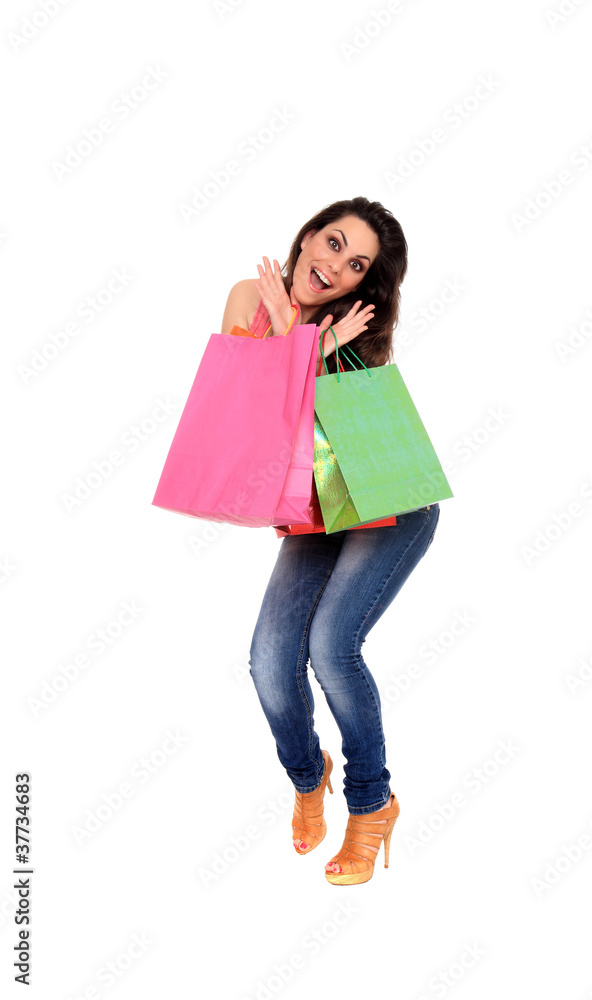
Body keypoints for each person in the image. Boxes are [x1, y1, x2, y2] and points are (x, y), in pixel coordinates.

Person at [220, 196, 440, 884]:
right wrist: (300, 340)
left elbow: (344, 433)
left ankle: (372, 805)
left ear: (359, 284)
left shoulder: (358, 328)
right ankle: (306, 774)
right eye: (333, 243)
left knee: (330, 647)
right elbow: (245, 418)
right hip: (317, 511)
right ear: (308, 234)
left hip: (388, 503)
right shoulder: (246, 298)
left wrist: (311, 343)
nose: (335, 265)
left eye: (356, 265)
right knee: (265, 659)